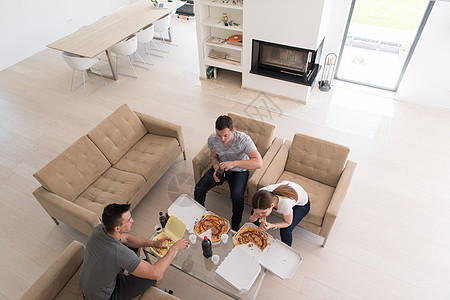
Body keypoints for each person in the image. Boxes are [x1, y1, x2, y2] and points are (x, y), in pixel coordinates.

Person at [79, 203, 189, 300]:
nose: (132, 220)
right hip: (103, 296)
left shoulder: (100, 229)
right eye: (128, 220)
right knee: (157, 276)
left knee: (135, 246)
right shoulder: (117, 251)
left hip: (90, 282)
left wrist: (153, 243)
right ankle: (155, 291)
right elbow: (155, 273)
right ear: (117, 228)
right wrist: (174, 248)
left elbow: (126, 239)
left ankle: (135, 271)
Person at [194, 115, 262, 231]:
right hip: (221, 167)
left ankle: (235, 227)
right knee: (199, 188)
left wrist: (234, 163)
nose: (222, 139)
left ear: (233, 131)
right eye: (219, 135)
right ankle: (199, 216)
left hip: (239, 171)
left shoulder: (243, 140)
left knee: (237, 197)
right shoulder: (213, 138)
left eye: (226, 135)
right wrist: (216, 169)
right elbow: (213, 156)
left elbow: (258, 163)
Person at [250, 181, 310, 246]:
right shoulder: (260, 194)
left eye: (263, 212)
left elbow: (288, 222)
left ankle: (286, 250)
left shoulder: (285, 204)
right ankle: (256, 235)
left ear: (272, 205)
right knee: (254, 213)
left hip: (302, 205)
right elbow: (257, 209)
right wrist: (255, 215)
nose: (260, 215)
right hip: (290, 191)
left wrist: (272, 225)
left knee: (286, 230)